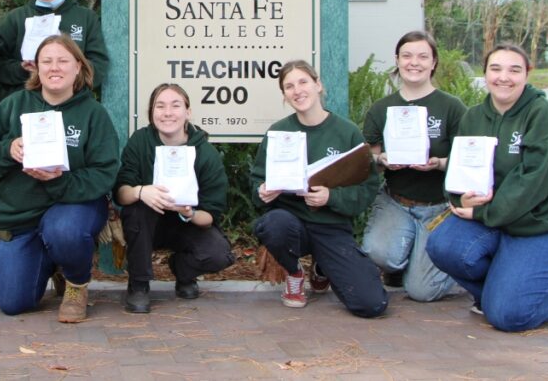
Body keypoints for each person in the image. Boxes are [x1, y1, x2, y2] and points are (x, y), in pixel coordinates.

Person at [425, 43, 548, 331]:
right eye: (496, 69)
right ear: (485, 73)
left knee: (509, 317)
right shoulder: (473, 117)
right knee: (443, 246)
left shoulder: (545, 115)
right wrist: (461, 199)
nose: (503, 77)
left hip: (542, 227)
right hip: (496, 222)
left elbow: (533, 182)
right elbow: (459, 170)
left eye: (514, 70)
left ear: (527, 74)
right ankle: (499, 292)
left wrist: (483, 214)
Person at [0, 34, 120, 323]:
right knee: (13, 302)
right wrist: (8, 149)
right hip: (23, 214)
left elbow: (105, 173)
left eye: (63, 61)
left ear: (78, 67)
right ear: (36, 68)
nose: (55, 68)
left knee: (64, 231)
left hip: (73, 207)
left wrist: (57, 180)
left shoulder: (93, 114)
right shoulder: (16, 104)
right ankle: (54, 263)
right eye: (47, 61)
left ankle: (77, 283)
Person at [250, 60, 387, 318]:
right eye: (289, 86)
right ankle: (294, 272)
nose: (297, 90)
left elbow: (367, 187)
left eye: (303, 82)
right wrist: (262, 190)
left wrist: (331, 197)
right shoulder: (278, 132)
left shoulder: (347, 133)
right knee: (272, 224)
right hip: (291, 224)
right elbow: (256, 180)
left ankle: (322, 267)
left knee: (371, 304)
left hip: (331, 227)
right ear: (284, 95)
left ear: (318, 85)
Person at [360, 31, 465, 301]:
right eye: (406, 56)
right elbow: (368, 163)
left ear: (434, 63)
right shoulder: (381, 109)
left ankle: (449, 260)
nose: (413, 62)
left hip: (440, 207)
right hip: (396, 202)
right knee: (378, 253)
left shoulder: (451, 108)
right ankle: (401, 261)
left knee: (422, 291)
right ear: (397, 60)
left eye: (422, 56)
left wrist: (439, 163)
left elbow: (467, 161)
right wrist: (382, 160)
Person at [115, 83, 234, 313]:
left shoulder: (205, 153)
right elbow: (121, 192)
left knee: (219, 255)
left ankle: (183, 271)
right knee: (136, 209)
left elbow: (210, 216)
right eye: (160, 106)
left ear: (188, 112)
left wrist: (188, 212)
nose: (167, 113)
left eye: (175, 105)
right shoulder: (140, 142)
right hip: (148, 223)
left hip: (186, 224)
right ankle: (138, 284)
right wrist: (141, 191)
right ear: (152, 113)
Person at [0, 0, 109, 100]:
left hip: (72, 103)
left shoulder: (86, 18)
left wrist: (65, 76)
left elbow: (99, 64)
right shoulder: (16, 18)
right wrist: (22, 70)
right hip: (23, 103)